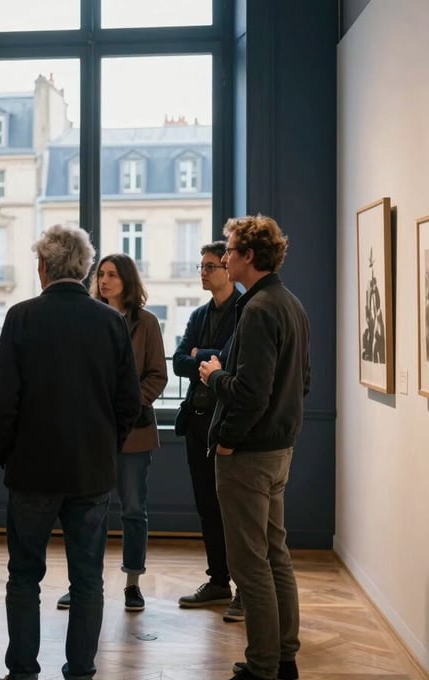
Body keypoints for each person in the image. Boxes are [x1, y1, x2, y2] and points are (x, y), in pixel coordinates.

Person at [0, 224, 141, 680]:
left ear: (42, 267)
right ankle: (81, 670)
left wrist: (4, 452)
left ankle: (23, 671)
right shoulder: (111, 321)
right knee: (88, 578)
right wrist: (105, 447)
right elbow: (129, 401)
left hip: (31, 469)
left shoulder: (20, 316)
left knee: (24, 577)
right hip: (90, 472)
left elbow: (2, 398)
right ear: (85, 267)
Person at [199, 215, 310, 680]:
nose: (223, 257)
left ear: (248, 256)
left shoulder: (261, 309)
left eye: (229, 249)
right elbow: (302, 383)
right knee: (275, 552)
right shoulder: (290, 303)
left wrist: (214, 377)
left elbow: (250, 394)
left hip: (248, 454)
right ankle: (283, 655)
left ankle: (263, 665)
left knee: (250, 564)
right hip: (279, 448)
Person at [56, 253, 166, 613]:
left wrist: (129, 405)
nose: (104, 281)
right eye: (100, 274)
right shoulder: (88, 318)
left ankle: (133, 583)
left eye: (113, 275)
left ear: (128, 281)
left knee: (133, 509)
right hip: (93, 431)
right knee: (89, 512)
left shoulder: (147, 323)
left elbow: (157, 376)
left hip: (134, 431)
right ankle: (85, 584)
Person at [173, 242, 243, 621]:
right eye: (200, 265)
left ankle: (245, 589)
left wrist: (202, 354)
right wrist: (205, 355)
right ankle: (219, 581)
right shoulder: (199, 313)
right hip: (199, 418)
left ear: (227, 268)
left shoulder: (245, 310)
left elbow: (232, 361)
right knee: (206, 504)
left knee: (233, 507)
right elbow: (179, 360)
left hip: (230, 420)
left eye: (210, 266)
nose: (203, 272)